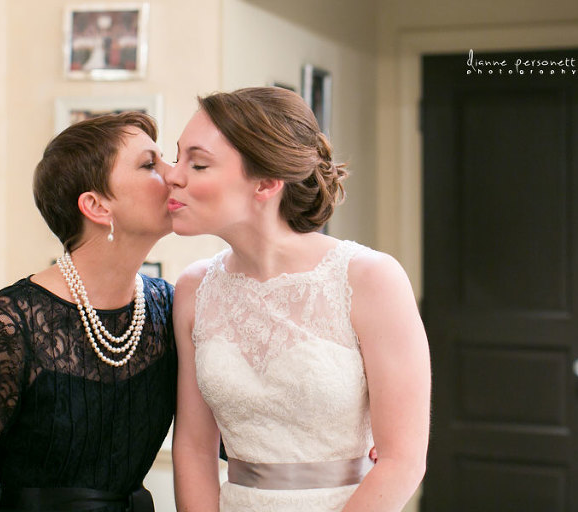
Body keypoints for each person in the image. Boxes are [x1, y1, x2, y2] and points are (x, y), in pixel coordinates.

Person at [167, 87, 430, 512]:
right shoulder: (194, 289)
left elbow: (403, 460)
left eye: (197, 164)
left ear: (267, 183)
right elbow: (194, 450)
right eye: (176, 157)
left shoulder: (370, 278)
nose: (172, 175)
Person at [0, 112, 176, 512]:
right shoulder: (10, 325)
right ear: (96, 206)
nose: (174, 174)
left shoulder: (167, 306)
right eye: (150, 164)